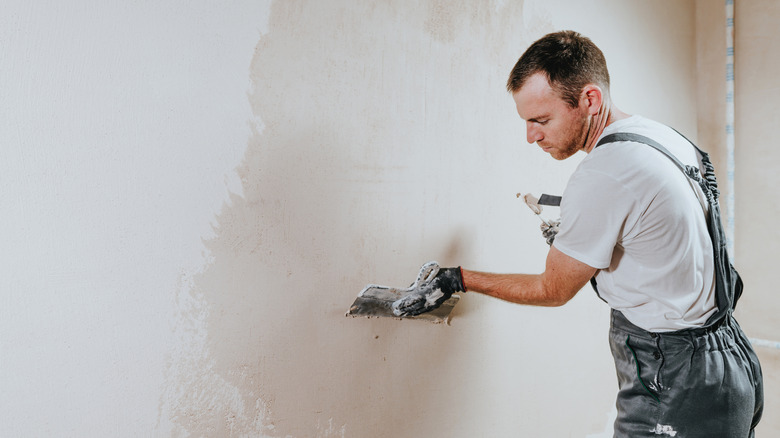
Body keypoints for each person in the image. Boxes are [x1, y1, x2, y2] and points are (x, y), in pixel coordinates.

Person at [393, 30, 763, 437]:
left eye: (541, 119)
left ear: (590, 99)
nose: (531, 135)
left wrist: (457, 278)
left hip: (677, 379)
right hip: (728, 360)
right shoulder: (659, 137)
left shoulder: (606, 172)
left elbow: (553, 290)